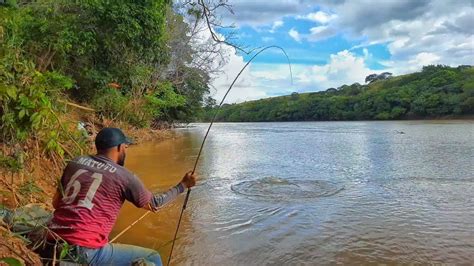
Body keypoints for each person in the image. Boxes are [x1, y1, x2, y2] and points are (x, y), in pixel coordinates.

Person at [45, 127, 197, 265]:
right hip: (84, 251)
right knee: (152, 257)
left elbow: (56, 203)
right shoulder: (125, 176)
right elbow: (155, 203)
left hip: (50, 242)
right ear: (119, 147)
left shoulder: (75, 162)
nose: (126, 151)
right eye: (125, 147)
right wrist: (182, 185)